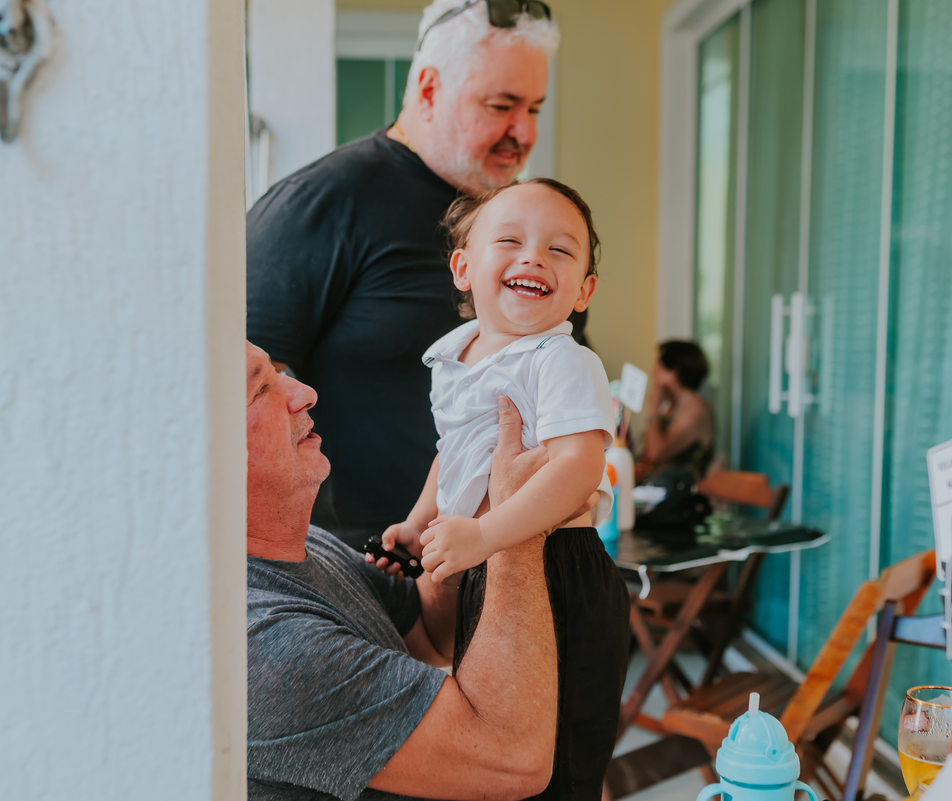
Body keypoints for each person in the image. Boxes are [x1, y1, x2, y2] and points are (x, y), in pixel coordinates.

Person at [245, 0, 582, 551]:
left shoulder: (519, 223)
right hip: (375, 567)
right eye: (501, 105)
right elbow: (246, 392)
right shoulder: (322, 202)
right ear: (427, 89)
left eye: (535, 109)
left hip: (516, 559)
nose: (521, 132)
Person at [377, 179, 630, 800]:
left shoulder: (559, 360)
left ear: (583, 291)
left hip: (557, 571)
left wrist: (486, 532)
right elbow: (455, 451)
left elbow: (579, 468)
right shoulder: (457, 355)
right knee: (494, 732)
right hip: (481, 565)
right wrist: (418, 521)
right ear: (464, 268)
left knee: (558, 759)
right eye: (510, 240)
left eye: (560, 250)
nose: (534, 257)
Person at [243, 340, 565, 801]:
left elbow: (432, 636)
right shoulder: (264, 643)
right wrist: (518, 526)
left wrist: (460, 530)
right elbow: (511, 761)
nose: (304, 392)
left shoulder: (308, 543)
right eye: (261, 389)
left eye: (282, 373)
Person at [639, 339, 715, 480]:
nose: (653, 372)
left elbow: (656, 453)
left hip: (686, 494)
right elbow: (647, 451)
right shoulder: (673, 404)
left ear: (674, 372)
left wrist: (653, 411)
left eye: (659, 365)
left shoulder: (694, 410)